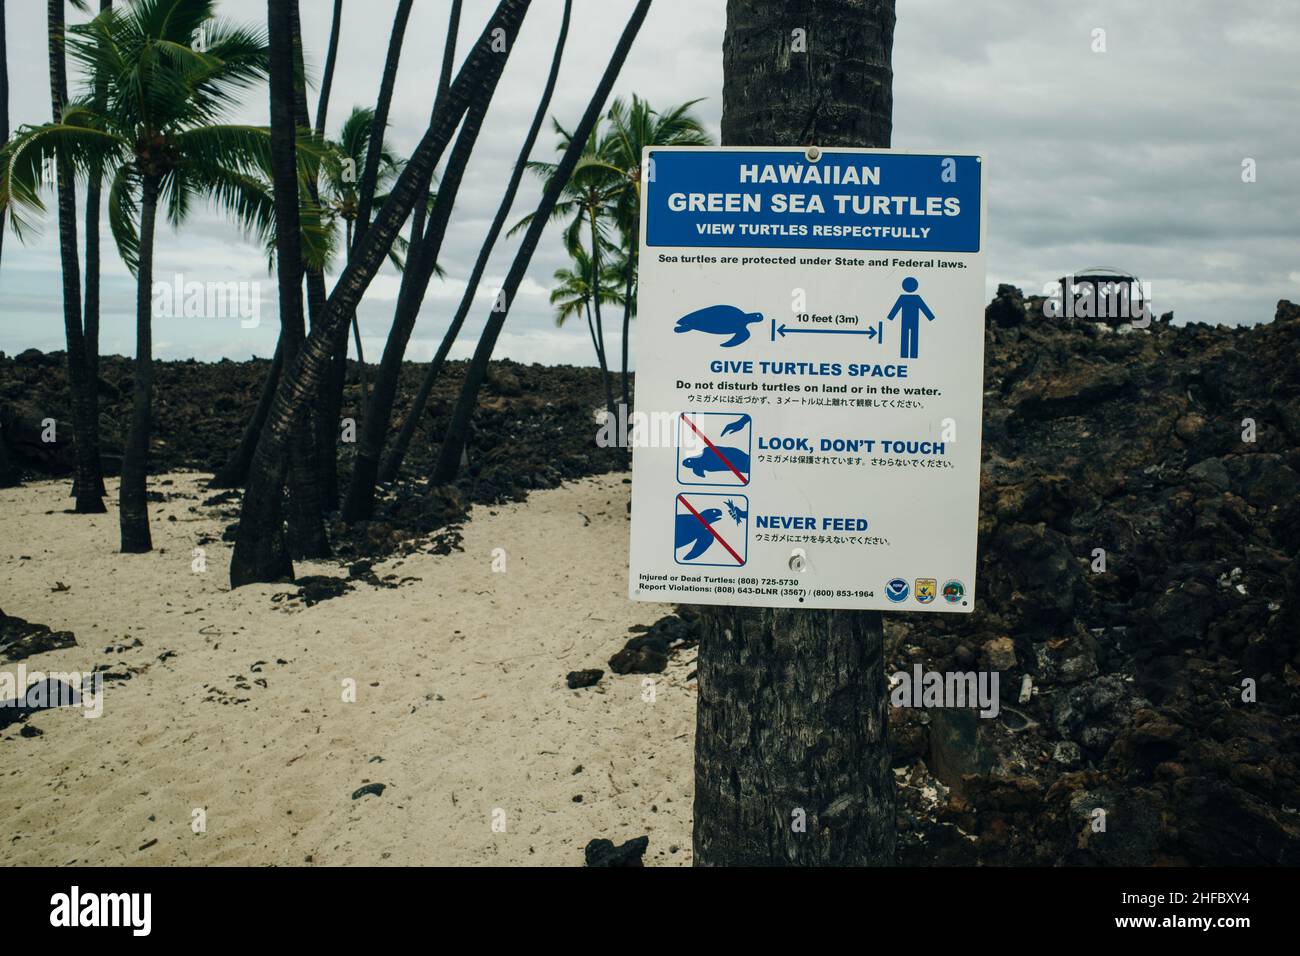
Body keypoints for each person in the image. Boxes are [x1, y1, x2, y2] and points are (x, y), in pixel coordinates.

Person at [886, 276, 935, 359]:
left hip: (909, 321)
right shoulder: (911, 298)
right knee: (910, 336)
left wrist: (891, 317)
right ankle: (910, 354)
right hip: (911, 321)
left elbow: (895, 309)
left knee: (908, 336)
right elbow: (925, 309)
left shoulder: (907, 298)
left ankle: (908, 354)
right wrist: (930, 317)